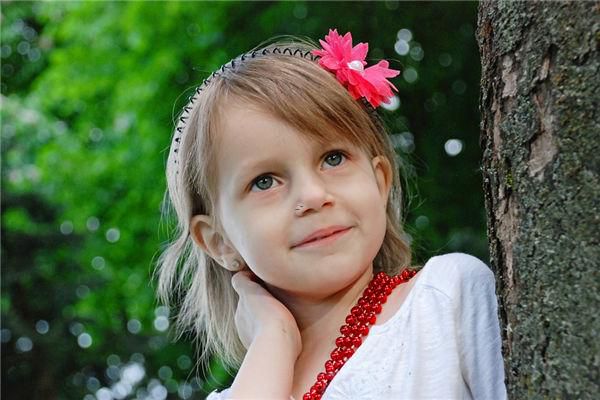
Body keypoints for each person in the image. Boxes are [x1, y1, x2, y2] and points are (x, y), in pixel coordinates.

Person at [156, 29, 507, 400]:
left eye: (333, 158)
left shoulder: (445, 299)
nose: (312, 196)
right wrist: (273, 337)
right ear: (219, 242)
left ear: (379, 181)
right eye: (264, 181)